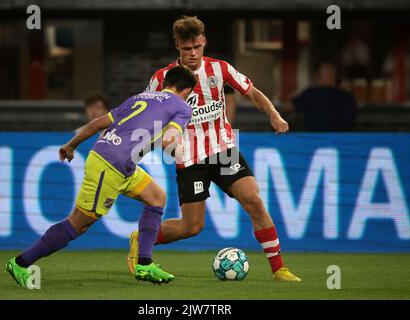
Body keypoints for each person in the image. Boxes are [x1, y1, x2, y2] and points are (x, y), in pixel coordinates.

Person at [127, 15, 301, 282]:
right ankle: (142, 239)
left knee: (253, 200)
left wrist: (274, 115)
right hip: (188, 158)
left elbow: (252, 92)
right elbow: (146, 112)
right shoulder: (162, 78)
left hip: (223, 149)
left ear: (204, 41)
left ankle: (279, 268)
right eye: (187, 49)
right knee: (192, 227)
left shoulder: (220, 69)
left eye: (197, 47)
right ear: (178, 47)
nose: (193, 54)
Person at [5, 65, 197, 287]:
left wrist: (71, 145)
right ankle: (20, 263)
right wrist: (183, 154)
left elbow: (98, 123)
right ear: (187, 91)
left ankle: (144, 263)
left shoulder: (139, 97)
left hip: (117, 161)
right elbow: (168, 141)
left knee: (156, 197)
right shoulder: (182, 107)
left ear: (165, 84)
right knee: (78, 224)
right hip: (111, 164)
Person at [290, 62, 357, 131]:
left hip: (314, 139)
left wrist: (292, 97)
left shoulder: (310, 94)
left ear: (318, 77)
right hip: (341, 139)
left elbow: (289, 107)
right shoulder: (348, 97)